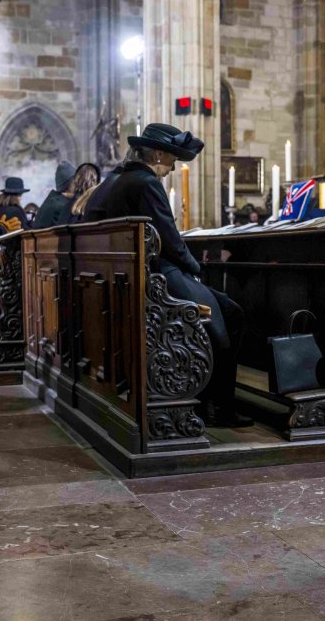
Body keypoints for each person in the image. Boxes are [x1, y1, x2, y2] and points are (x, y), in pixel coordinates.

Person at [86, 123, 252, 427]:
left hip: (121, 276)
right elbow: (172, 243)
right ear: (159, 153)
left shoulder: (113, 179)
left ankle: (211, 403)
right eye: (172, 159)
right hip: (155, 277)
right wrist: (197, 266)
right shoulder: (146, 182)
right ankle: (218, 408)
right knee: (230, 316)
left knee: (226, 311)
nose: (173, 168)